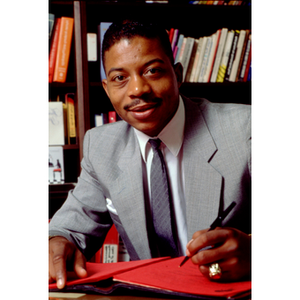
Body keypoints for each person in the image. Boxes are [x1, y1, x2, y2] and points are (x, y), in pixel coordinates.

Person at [49, 19, 251, 289]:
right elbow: (69, 228)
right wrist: (56, 243)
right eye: (120, 78)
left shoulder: (246, 131)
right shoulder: (102, 146)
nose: (137, 90)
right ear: (107, 89)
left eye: (153, 71)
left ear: (177, 74)